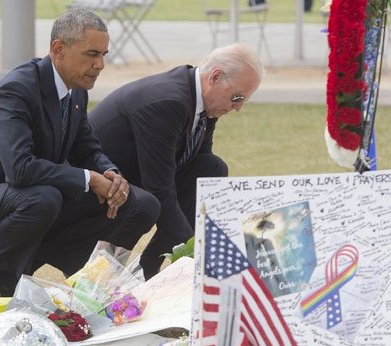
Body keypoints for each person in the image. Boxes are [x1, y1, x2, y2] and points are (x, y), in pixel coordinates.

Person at [0, 8, 160, 300]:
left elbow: (87, 148)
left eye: (104, 55)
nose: (100, 64)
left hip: (28, 200)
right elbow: (19, 169)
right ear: (58, 49)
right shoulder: (17, 89)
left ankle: (93, 282)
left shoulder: (76, 90)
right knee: (44, 198)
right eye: (91, 54)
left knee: (142, 204)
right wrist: (89, 179)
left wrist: (111, 174)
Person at [89, 43, 264, 279]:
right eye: (237, 97)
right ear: (215, 77)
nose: (238, 107)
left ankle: (148, 265)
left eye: (244, 100)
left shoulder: (203, 98)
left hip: (140, 177)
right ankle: (117, 275)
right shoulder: (168, 101)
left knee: (212, 169)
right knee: (151, 203)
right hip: (100, 182)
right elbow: (159, 188)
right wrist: (194, 252)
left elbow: (199, 165)